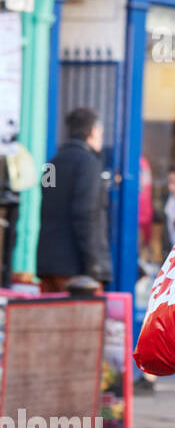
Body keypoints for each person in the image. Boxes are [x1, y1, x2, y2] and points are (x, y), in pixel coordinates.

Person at [36, 107, 112, 293]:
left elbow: (46, 204)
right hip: (75, 271)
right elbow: (86, 215)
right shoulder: (89, 164)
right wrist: (94, 267)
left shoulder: (51, 164)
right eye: (100, 132)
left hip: (46, 265)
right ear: (92, 132)